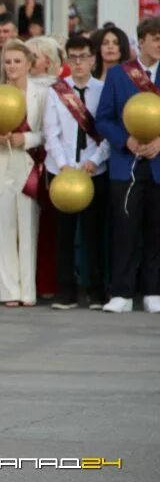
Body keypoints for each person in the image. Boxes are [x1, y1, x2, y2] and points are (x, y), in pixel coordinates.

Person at [96, 16, 160, 314]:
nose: (159, 44)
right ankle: (121, 292)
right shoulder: (120, 75)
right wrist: (127, 141)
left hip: (158, 162)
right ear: (142, 41)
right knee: (125, 228)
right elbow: (104, 118)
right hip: (126, 164)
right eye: (155, 38)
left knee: (155, 229)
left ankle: (153, 290)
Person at [42, 35, 108, 310]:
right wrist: (64, 164)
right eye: (74, 57)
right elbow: (51, 132)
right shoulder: (56, 91)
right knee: (64, 234)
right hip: (62, 170)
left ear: (93, 59)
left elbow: (107, 130)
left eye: (84, 57)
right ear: (67, 60)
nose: (79, 63)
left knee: (95, 233)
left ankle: (95, 290)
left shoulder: (104, 90)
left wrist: (94, 160)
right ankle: (65, 290)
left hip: (94, 169)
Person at [0, 40, 48, 307]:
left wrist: (28, 139)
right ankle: (9, 291)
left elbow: (47, 132)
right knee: (3, 230)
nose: (12, 66)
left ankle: (28, 291)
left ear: (29, 64)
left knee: (28, 229)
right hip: (1, 164)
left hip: (27, 165)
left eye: (17, 61)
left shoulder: (41, 94)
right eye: (8, 62)